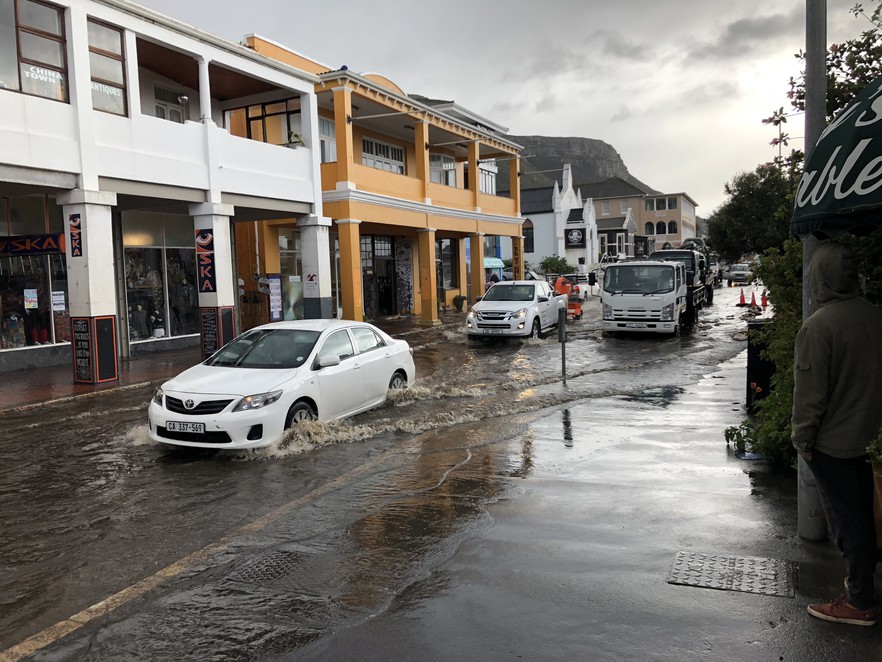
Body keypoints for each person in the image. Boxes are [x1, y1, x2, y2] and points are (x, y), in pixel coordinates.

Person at [791, 242, 882, 627]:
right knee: (871, 516)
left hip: (835, 446)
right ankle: (862, 584)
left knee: (850, 523)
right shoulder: (876, 316)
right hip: (872, 440)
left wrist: (803, 442)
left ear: (818, 278)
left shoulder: (818, 327)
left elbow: (810, 397)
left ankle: (859, 600)